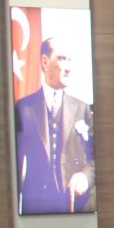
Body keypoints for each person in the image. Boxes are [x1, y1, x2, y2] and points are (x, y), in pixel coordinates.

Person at [16, 36, 95, 214]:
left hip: (76, 208)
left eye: (70, 60)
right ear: (45, 62)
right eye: (62, 59)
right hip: (37, 210)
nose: (68, 67)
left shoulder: (82, 109)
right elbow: (15, 163)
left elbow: (95, 157)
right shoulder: (24, 108)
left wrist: (85, 177)